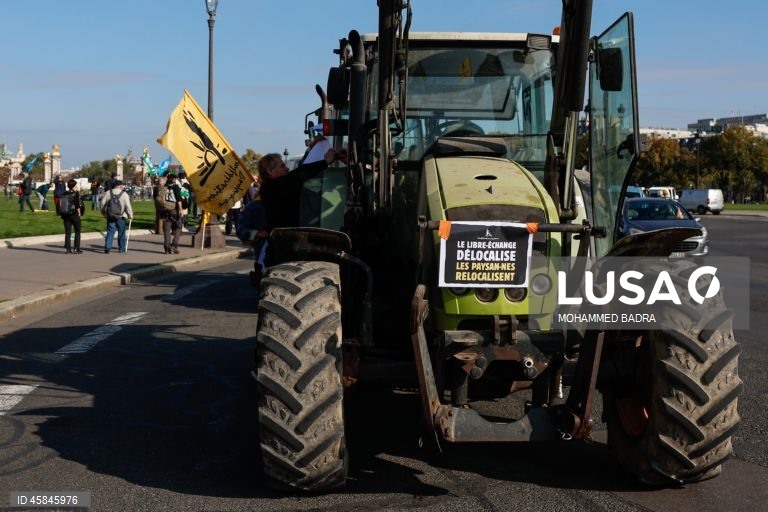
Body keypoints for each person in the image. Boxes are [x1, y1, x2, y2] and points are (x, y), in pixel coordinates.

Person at [257, 148, 336, 230]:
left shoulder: (271, 186)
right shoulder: (273, 187)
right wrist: (325, 162)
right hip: (286, 237)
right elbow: (299, 173)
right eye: (282, 166)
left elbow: (298, 171)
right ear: (270, 171)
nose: (287, 168)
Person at [101, 179, 133, 253]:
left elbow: (102, 204)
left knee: (110, 231)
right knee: (121, 232)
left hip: (110, 215)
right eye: (122, 186)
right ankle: (121, 248)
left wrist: (104, 213)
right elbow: (128, 206)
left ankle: (107, 247)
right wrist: (130, 215)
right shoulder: (124, 194)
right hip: (121, 216)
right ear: (120, 186)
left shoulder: (108, 193)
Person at [156, 173, 183, 254]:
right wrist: (180, 209)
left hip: (165, 210)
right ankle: (174, 246)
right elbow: (178, 199)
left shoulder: (163, 187)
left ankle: (166, 247)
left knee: (167, 230)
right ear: (174, 179)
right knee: (178, 228)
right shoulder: (175, 187)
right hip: (174, 210)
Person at [59, 179, 84, 254]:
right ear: (73, 186)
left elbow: (60, 204)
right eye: (75, 185)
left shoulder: (64, 193)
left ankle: (68, 249)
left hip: (65, 215)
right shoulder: (75, 193)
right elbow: (77, 205)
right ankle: (76, 248)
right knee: (77, 231)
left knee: (68, 232)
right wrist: (79, 214)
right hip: (74, 214)